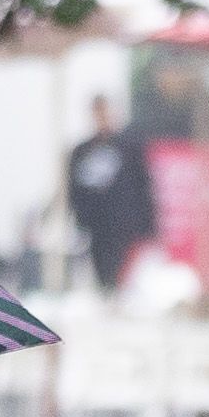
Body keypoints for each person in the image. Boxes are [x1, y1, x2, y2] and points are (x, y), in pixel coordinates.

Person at [64, 93, 156, 291]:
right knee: (101, 273)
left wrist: (148, 225)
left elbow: (143, 185)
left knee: (124, 274)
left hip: (124, 223)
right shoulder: (82, 151)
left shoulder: (130, 147)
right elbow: (74, 190)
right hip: (96, 224)